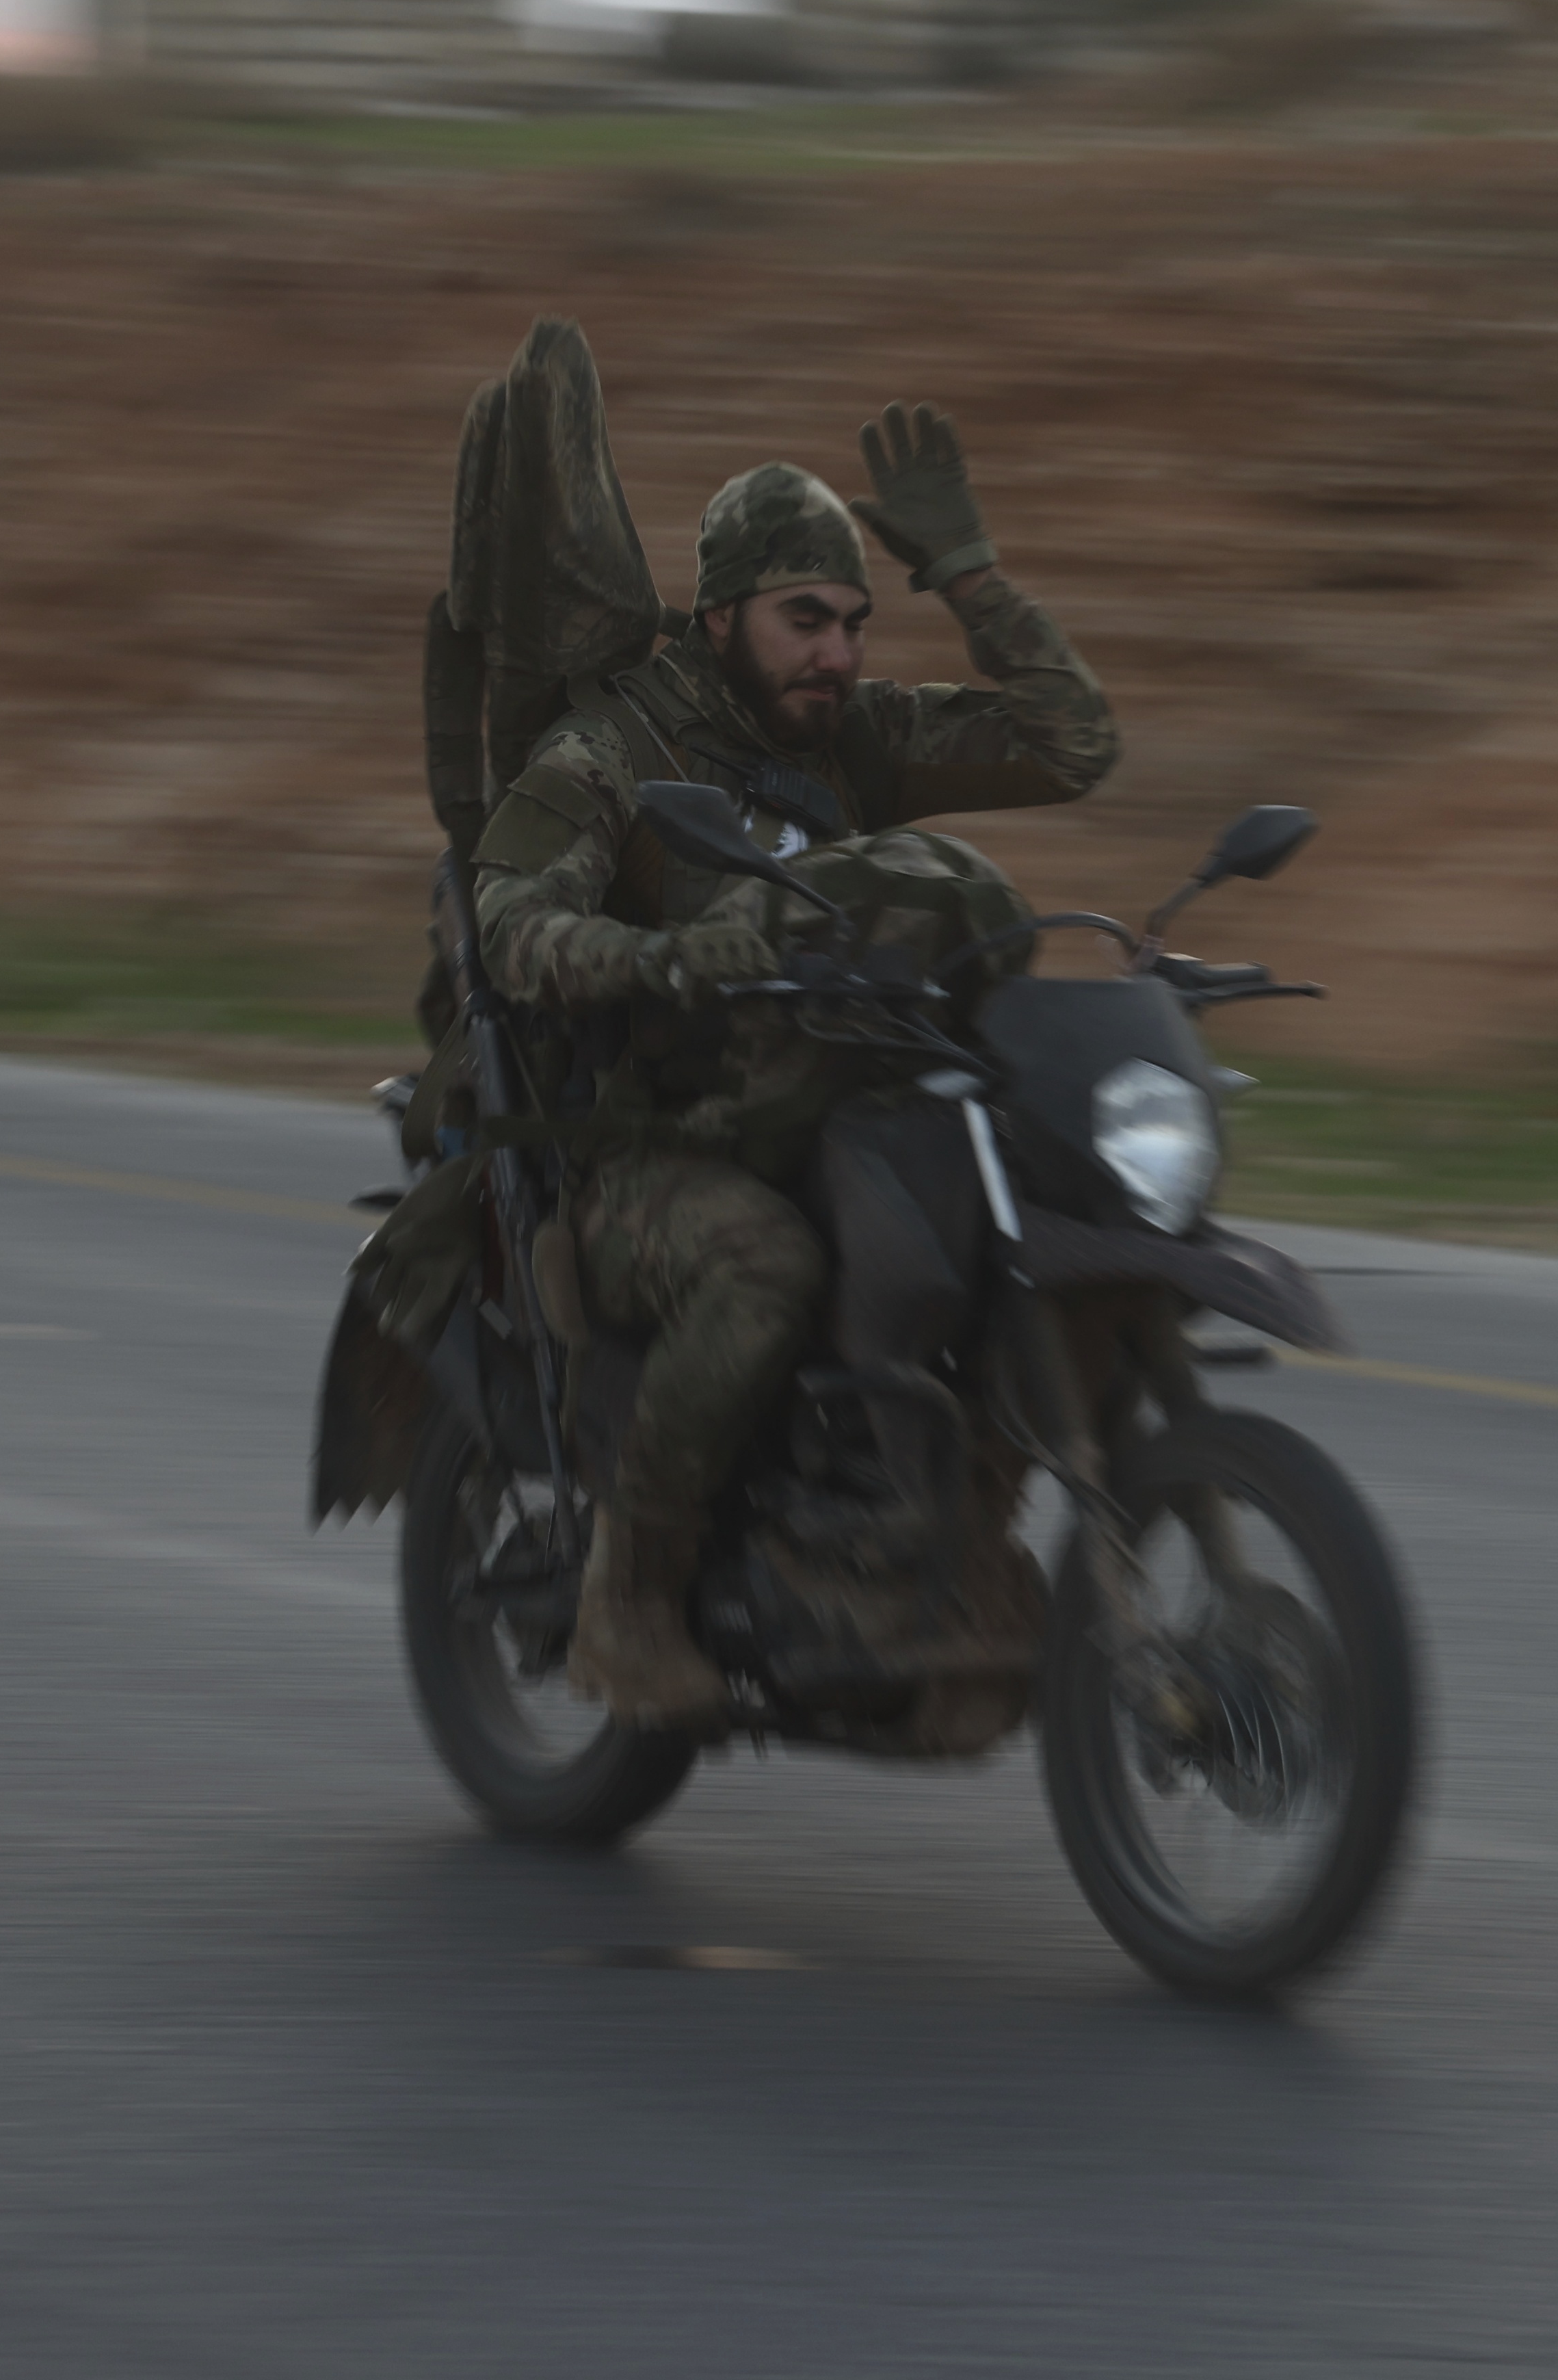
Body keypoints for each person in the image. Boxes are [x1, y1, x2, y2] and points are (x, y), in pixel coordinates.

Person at [466, 404, 1118, 1725]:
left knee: (1026, 1234)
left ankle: (939, 1547)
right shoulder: (613, 752)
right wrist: (662, 962)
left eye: (853, 621)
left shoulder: (852, 742)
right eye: (802, 619)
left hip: (831, 1122)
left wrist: (971, 576)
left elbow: (1071, 747)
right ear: (720, 618)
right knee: (767, 1266)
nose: (836, 651)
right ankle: (627, 1594)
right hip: (648, 1154)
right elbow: (511, 925)